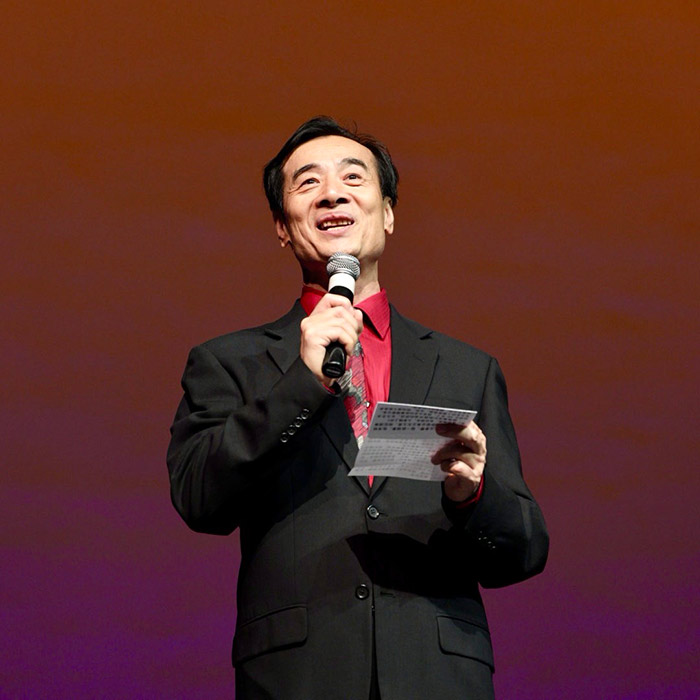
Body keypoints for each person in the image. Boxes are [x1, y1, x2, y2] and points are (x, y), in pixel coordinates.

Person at [167, 116, 549, 700]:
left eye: (353, 177)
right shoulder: (229, 362)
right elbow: (200, 498)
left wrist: (471, 496)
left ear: (388, 213)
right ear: (282, 228)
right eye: (308, 183)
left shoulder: (466, 369)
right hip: (296, 679)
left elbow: (522, 553)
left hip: (439, 678)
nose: (333, 194)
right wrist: (301, 384)